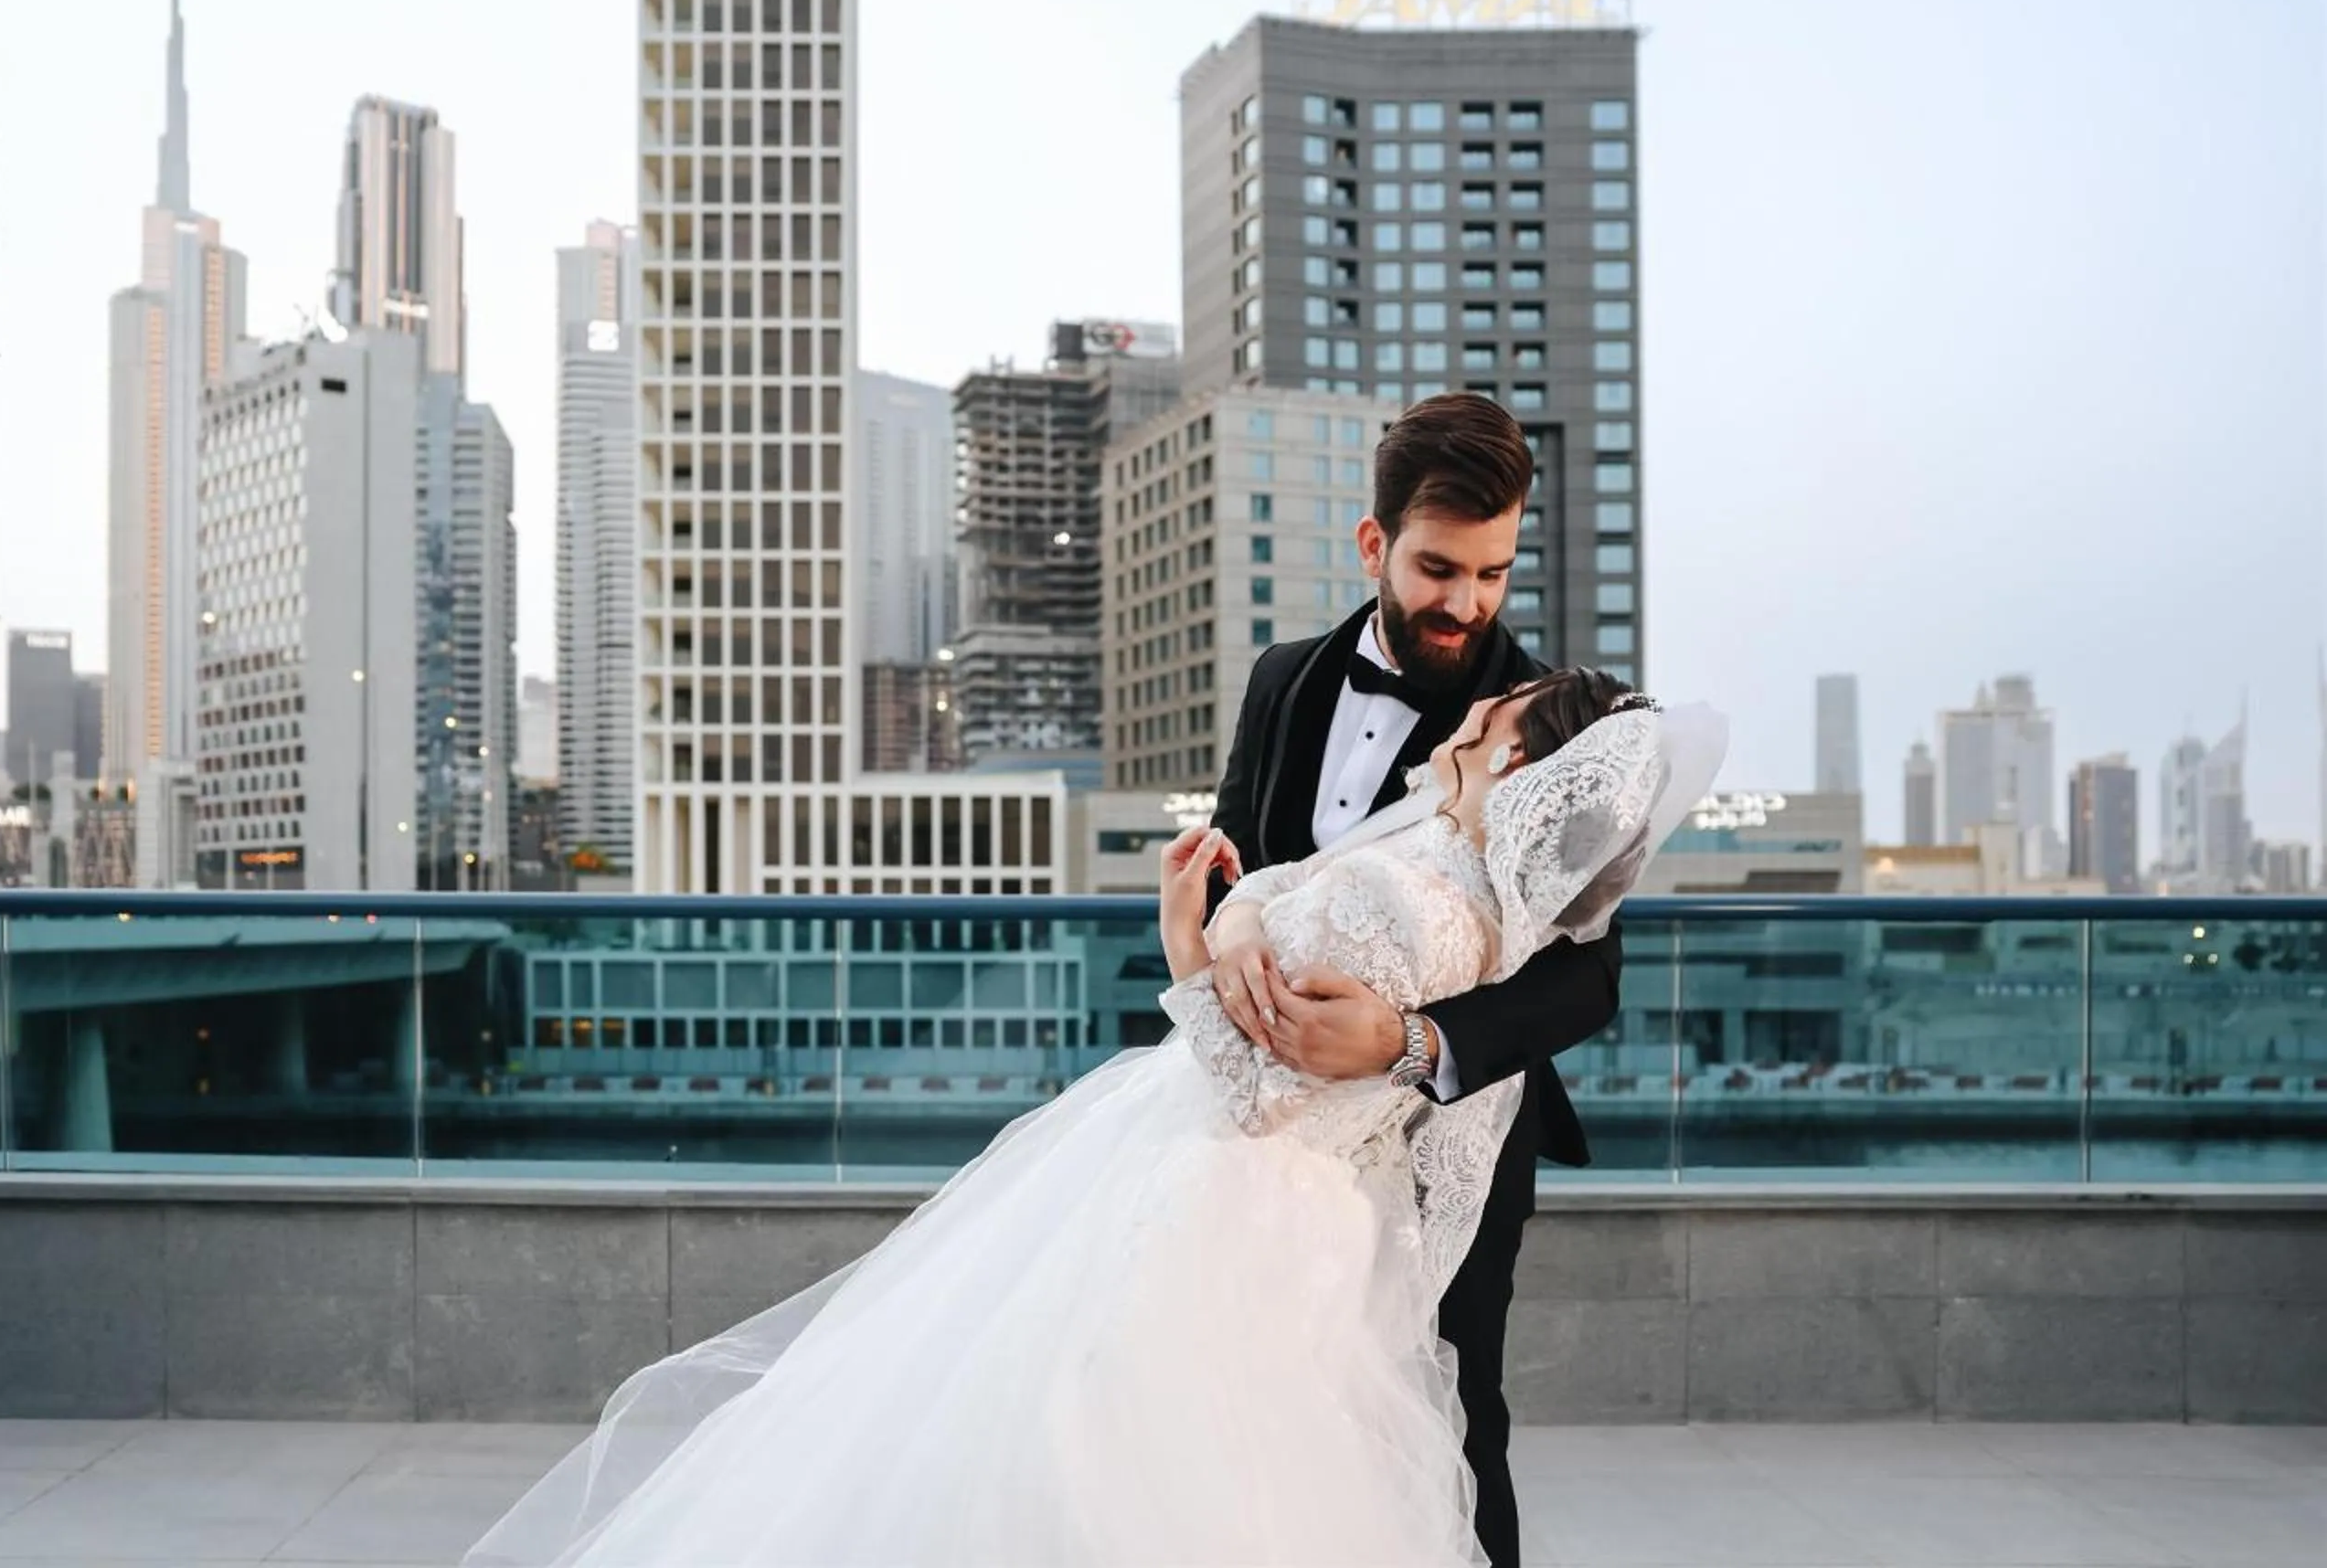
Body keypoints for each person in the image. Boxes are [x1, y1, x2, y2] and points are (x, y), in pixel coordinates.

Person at [464, 670, 1725, 1566]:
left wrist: (1187, 948)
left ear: (1517, 759)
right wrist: (1235, 925)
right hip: (1250, 1190)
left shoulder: (1422, 907)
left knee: (1084, 1452)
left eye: (1498, 715)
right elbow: (1277, 917)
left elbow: (1265, 1085)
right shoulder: (1426, 854)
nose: (1472, 714)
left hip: (1226, 1200)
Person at [1196, 392, 1620, 1568]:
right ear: (1374, 542)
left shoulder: (1545, 723)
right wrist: (1229, 928)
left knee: (1452, 1426)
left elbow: (1591, 980)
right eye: (1439, 568)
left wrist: (1410, 1041)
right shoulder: (1283, 678)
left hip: (1449, 1144)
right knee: (1262, 1417)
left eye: (1493, 572)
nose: (1468, 603)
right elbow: (1238, 858)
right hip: (1275, 1142)